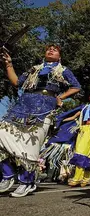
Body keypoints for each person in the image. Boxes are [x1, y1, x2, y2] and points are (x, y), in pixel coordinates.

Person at [0, 44, 80, 197]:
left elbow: (76, 86)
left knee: (30, 146)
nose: (51, 50)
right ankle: (7, 175)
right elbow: (17, 82)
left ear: (59, 56)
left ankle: (27, 182)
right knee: (1, 134)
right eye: (48, 49)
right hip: (22, 107)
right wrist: (8, 64)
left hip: (44, 109)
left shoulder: (63, 71)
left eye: (55, 49)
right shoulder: (34, 69)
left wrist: (60, 97)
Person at [65, 91, 90, 187]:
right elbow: (74, 113)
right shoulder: (84, 107)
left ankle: (77, 178)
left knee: (81, 152)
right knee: (87, 154)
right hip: (82, 129)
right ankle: (86, 177)